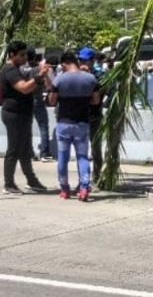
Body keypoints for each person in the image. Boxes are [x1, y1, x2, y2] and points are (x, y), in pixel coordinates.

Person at [47, 51, 99, 201]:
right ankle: (84, 188)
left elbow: (52, 101)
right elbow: (95, 101)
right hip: (82, 123)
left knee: (63, 157)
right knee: (82, 157)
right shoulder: (90, 79)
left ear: (64, 63)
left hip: (64, 123)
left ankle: (64, 189)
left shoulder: (59, 79)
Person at [0, 40, 49, 195]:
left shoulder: (17, 69)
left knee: (25, 149)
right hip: (14, 114)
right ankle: (8, 184)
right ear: (12, 55)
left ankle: (31, 180)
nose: (25, 57)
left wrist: (39, 79)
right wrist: (39, 77)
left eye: (25, 54)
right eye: (21, 55)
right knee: (14, 149)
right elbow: (24, 89)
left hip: (23, 113)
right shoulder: (10, 71)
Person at [78, 46, 104, 183]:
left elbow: (99, 95)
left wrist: (90, 77)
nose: (82, 63)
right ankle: (83, 177)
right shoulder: (76, 74)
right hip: (80, 115)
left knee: (95, 147)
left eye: (85, 61)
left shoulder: (99, 75)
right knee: (81, 148)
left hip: (94, 115)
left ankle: (97, 173)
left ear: (92, 61)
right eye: (80, 60)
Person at [23, 49, 53, 161]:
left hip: (25, 100)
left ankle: (29, 153)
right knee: (43, 126)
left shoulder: (21, 70)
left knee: (26, 127)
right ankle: (44, 153)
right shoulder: (39, 69)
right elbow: (49, 85)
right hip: (38, 99)